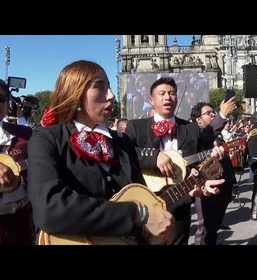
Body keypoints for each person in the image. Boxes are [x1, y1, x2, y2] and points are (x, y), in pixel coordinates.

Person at [27, 60, 224, 245]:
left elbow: (145, 198)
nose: (112, 95)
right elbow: (49, 207)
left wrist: (187, 192)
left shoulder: (121, 143)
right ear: (75, 93)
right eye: (100, 86)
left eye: (110, 87)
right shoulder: (47, 138)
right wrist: (137, 214)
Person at [125, 76, 236, 245]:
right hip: (145, 207)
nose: (167, 97)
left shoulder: (190, 129)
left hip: (180, 204)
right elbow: (125, 154)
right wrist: (154, 156)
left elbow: (199, 164)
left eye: (172, 93)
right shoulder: (135, 127)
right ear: (151, 99)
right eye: (162, 93)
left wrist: (205, 179)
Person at [189, 101, 238, 245]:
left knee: (213, 227)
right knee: (205, 228)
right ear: (198, 119)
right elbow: (207, 135)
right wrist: (222, 115)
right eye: (208, 113)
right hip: (205, 188)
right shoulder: (198, 135)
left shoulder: (218, 136)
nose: (213, 114)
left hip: (223, 185)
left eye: (213, 112)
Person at [0, 79, 37, 244]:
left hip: (20, 224)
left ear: (7, 103)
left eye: (0, 98)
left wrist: (19, 177)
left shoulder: (26, 135)